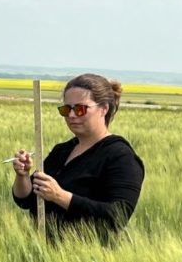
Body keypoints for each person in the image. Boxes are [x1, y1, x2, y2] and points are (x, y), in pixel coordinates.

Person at [11, 74, 145, 242]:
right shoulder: (61, 151)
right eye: (66, 109)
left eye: (80, 109)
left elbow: (117, 216)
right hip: (43, 254)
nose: (72, 115)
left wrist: (59, 196)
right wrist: (22, 176)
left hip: (90, 257)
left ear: (104, 108)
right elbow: (27, 201)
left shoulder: (121, 157)